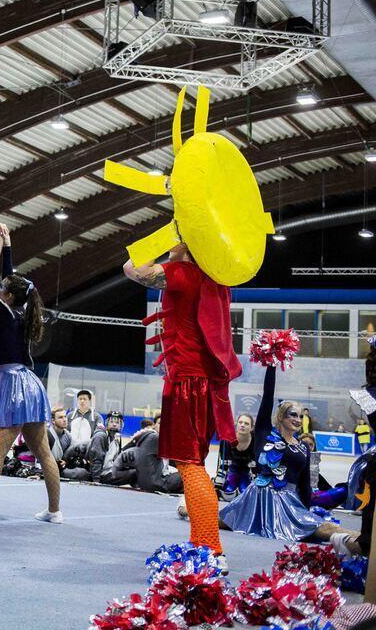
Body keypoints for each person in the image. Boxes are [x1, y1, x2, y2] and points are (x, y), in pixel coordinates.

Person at [123, 243, 241, 568]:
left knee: (191, 466)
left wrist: (162, 240)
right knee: (194, 464)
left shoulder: (184, 272)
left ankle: (212, 550)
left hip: (186, 382)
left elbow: (131, 268)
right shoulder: (214, 277)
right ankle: (201, 542)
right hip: (203, 383)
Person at [0, 225, 62, 523]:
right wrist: (6, 245)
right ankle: (54, 511)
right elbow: (11, 278)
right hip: (29, 383)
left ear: (7, 296)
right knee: (43, 451)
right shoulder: (19, 309)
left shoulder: (5, 313)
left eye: (1, 290)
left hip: (14, 384)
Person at [220, 363, 360, 555]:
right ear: (281, 417)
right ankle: (184, 509)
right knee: (212, 519)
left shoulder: (303, 447)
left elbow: (304, 486)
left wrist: (307, 510)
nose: (297, 419)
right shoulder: (265, 433)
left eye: (300, 416)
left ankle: (363, 540)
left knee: (322, 528)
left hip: (288, 503)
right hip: (255, 501)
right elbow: (267, 398)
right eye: (292, 414)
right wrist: (271, 366)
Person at [215, 413, 256, 499]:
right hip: (231, 472)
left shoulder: (255, 440)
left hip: (246, 474)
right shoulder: (227, 439)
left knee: (245, 493)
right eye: (240, 422)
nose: (242, 425)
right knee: (228, 492)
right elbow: (222, 463)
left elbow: (256, 465)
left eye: (246, 423)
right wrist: (219, 482)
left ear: (252, 427)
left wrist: (256, 480)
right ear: (236, 424)